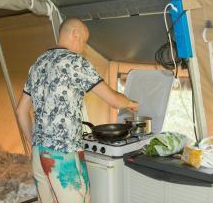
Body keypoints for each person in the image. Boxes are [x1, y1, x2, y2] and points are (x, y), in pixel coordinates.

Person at [16, 18, 139, 203]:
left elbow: (20, 110)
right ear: (75, 34)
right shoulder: (75, 62)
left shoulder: (38, 63)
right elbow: (113, 100)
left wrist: (35, 143)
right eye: (84, 41)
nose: (83, 48)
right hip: (64, 155)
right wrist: (129, 102)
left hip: (39, 156)